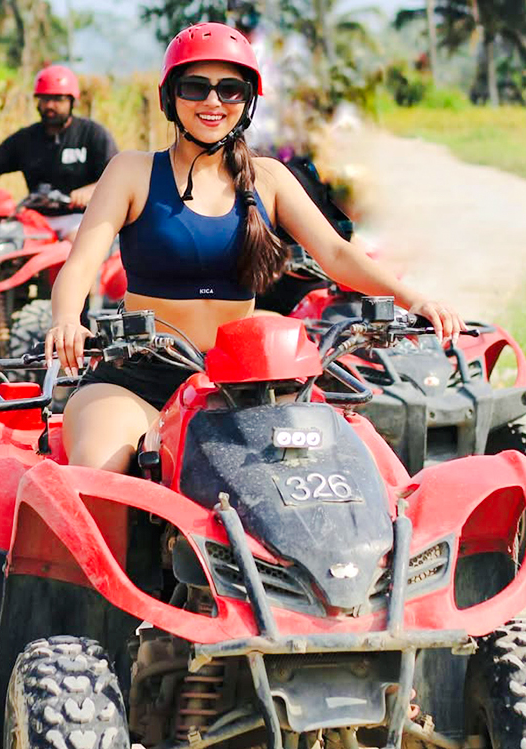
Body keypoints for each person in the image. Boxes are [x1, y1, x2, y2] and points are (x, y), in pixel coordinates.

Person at [44, 22, 464, 473]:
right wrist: (67, 321)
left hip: (245, 378)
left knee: (346, 465)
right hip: (139, 378)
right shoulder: (132, 171)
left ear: (247, 101)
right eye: (195, 87)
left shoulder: (269, 179)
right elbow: (81, 262)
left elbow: (337, 255)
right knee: (98, 467)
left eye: (230, 89)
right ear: (170, 96)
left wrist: (415, 299)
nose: (212, 102)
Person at [0, 65, 119, 239]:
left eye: (58, 99)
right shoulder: (26, 139)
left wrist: (89, 192)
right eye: (45, 99)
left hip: (80, 218)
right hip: (36, 220)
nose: (50, 105)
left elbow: (117, 178)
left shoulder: (93, 134)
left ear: (72, 101)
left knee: (78, 252)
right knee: (5, 248)